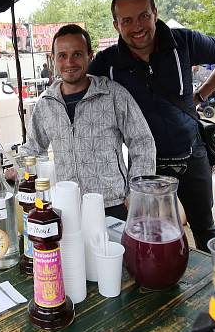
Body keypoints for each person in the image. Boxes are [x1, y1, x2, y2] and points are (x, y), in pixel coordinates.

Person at [88, 0, 215, 251]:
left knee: (204, 232)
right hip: (145, 168)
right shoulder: (108, 62)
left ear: (155, 13)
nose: (137, 26)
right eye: (127, 20)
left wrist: (201, 95)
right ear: (116, 25)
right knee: (149, 238)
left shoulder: (183, 42)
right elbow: (79, 87)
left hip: (191, 157)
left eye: (143, 16)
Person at [22, 24, 155, 219]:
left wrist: (137, 191)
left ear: (90, 56)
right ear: (53, 59)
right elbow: (33, 149)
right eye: (62, 55)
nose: (69, 62)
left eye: (77, 54)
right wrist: (16, 170)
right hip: (67, 206)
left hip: (113, 205)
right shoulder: (45, 103)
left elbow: (142, 142)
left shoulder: (113, 94)